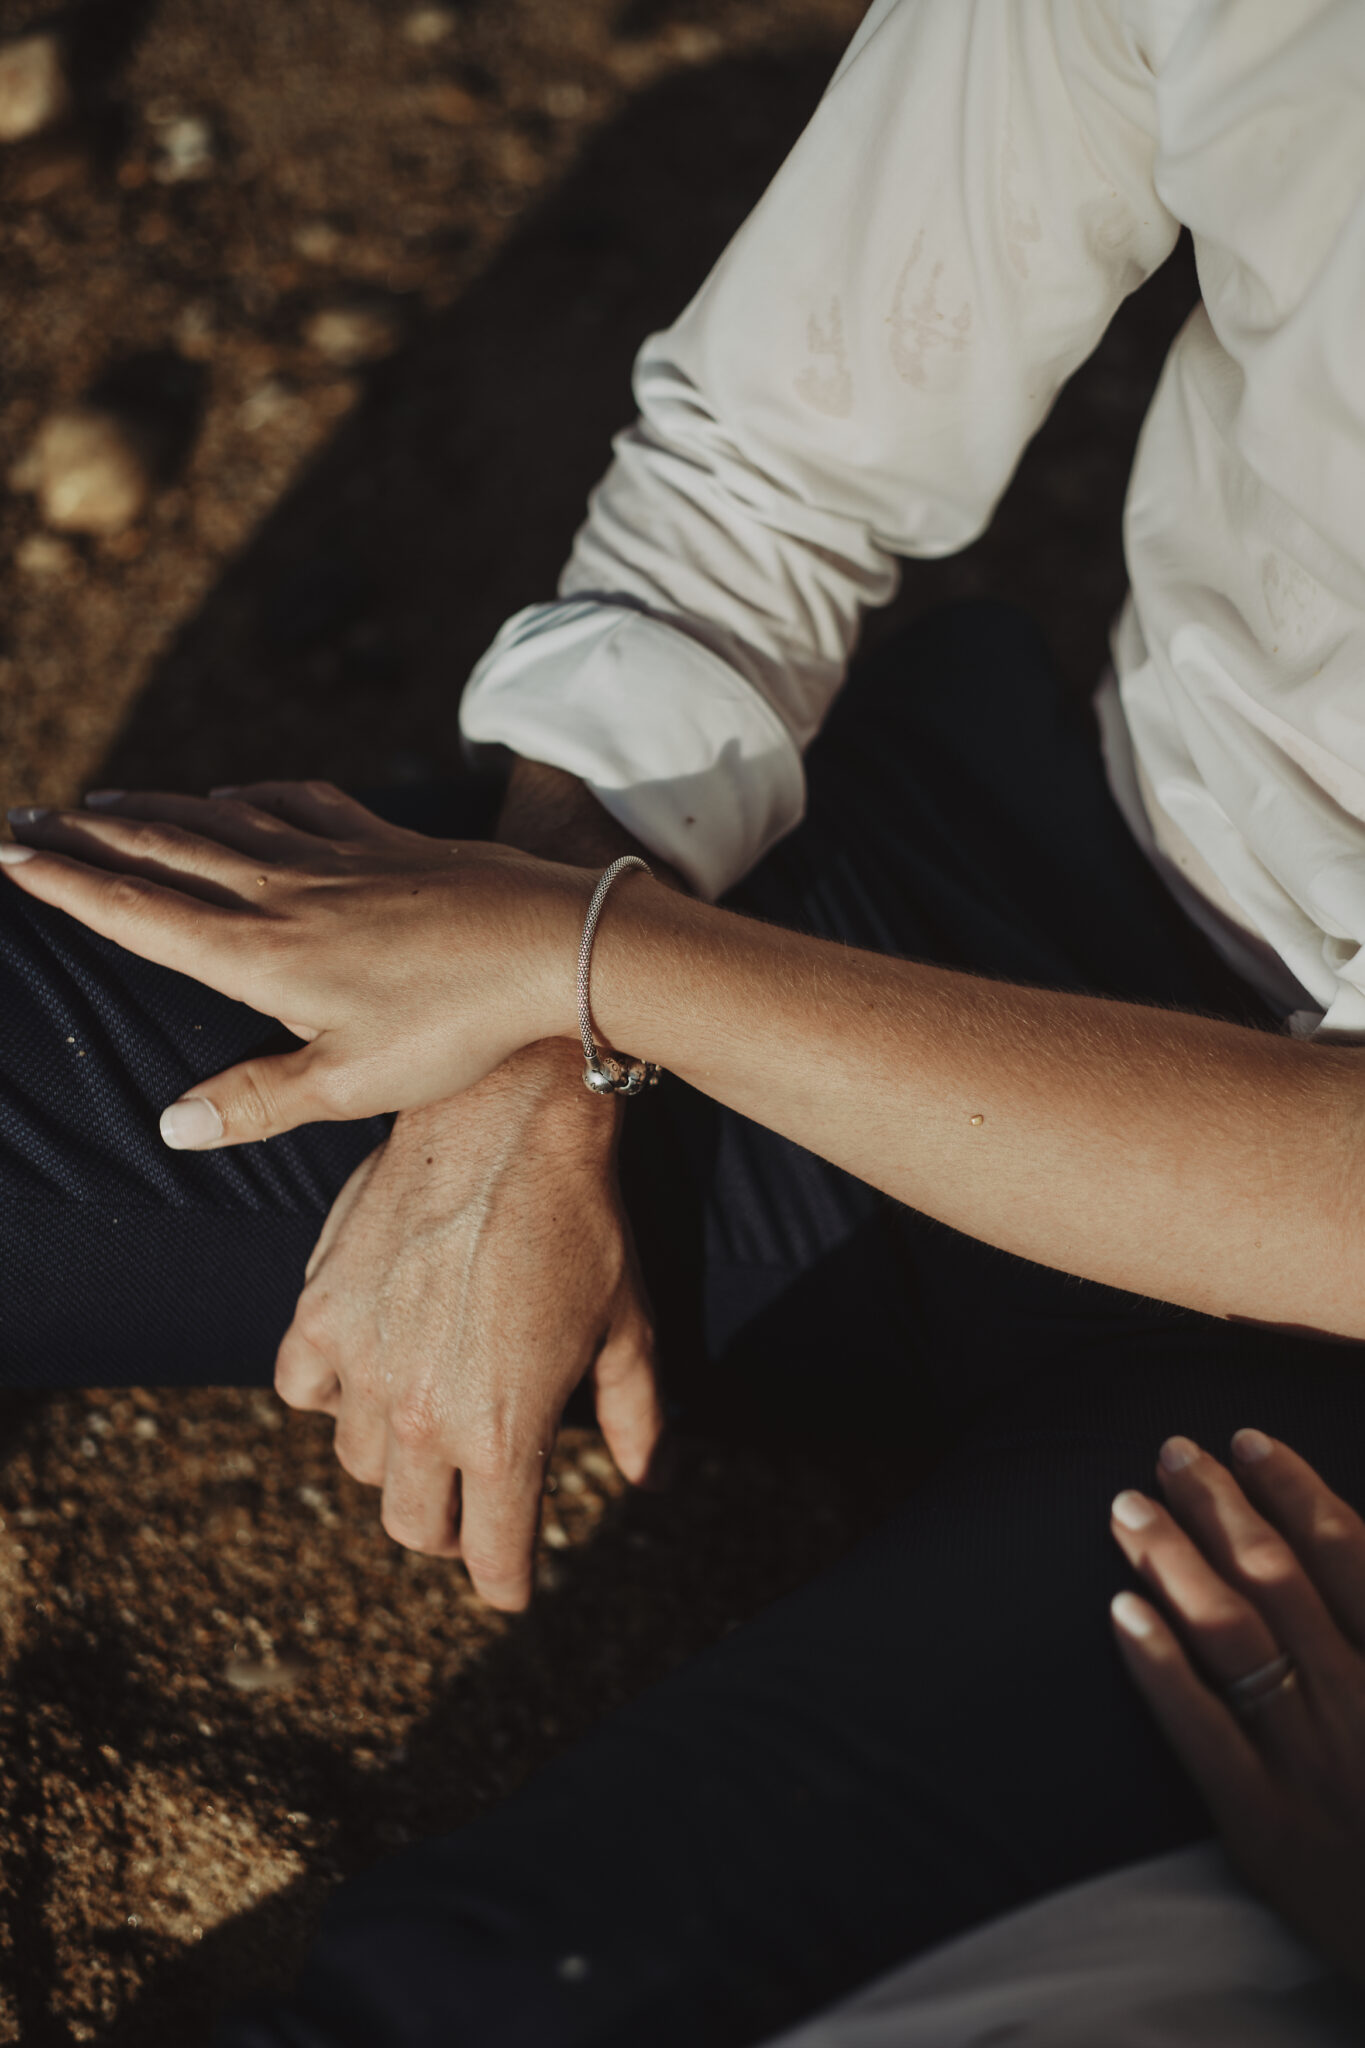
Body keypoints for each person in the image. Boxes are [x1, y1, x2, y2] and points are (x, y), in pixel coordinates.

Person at [2, 0, 1365, 2037]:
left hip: (1321, 1440)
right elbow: (771, 456)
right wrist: (523, 1057)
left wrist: (580, 961)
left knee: (516, 1999)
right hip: (1024, 900)